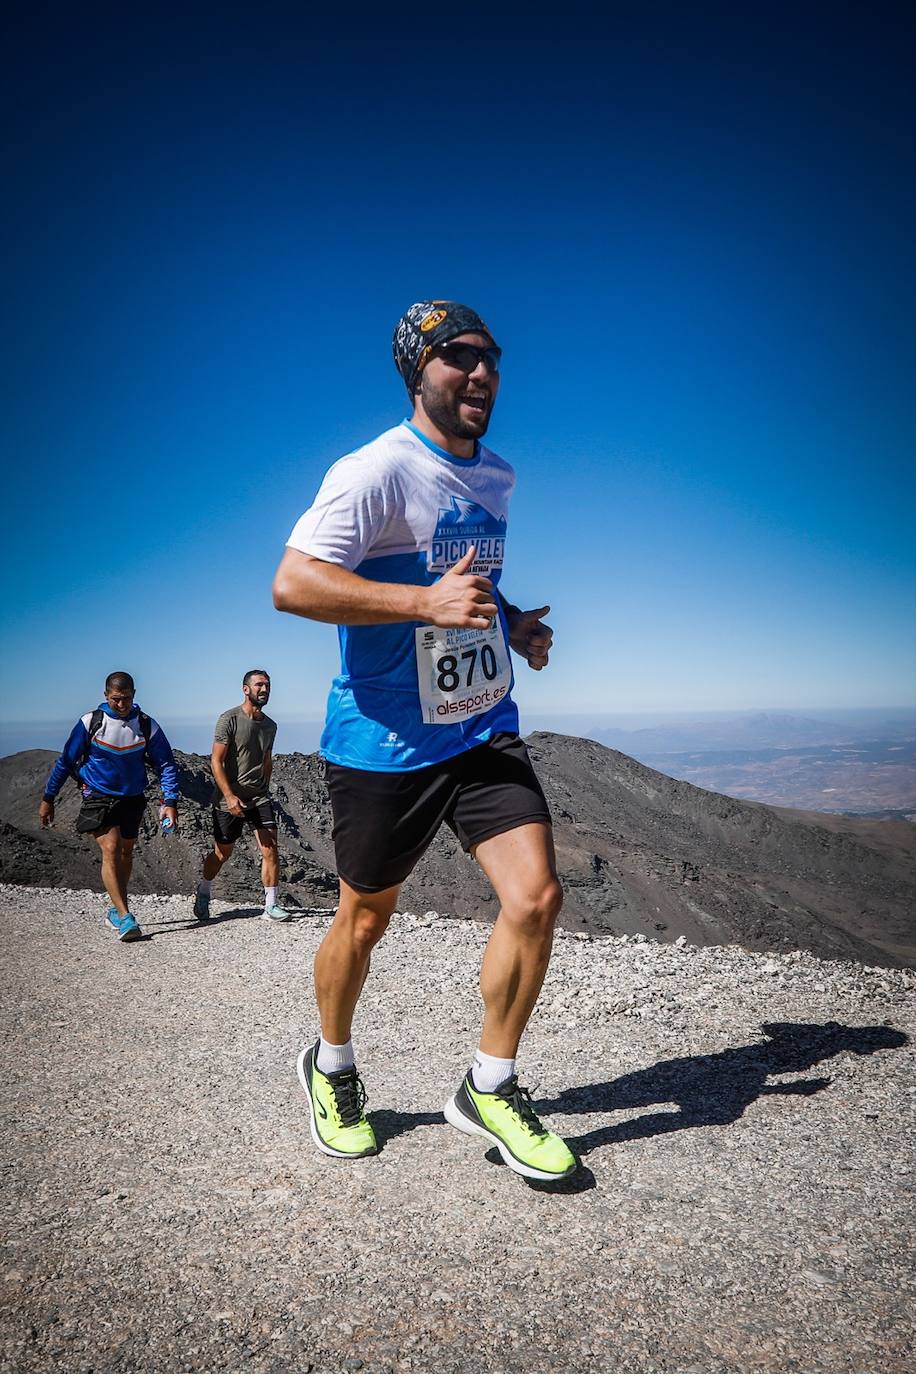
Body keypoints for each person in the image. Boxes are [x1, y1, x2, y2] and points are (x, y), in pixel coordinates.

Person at [272, 300, 576, 1181]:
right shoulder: (375, 470)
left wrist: (512, 623)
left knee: (536, 898)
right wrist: (420, 604)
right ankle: (330, 1065)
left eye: (490, 358)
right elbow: (292, 583)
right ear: (418, 371)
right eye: (458, 357)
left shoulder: (498, 476)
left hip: (480, 724)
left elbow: (466, 580)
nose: (481, 373)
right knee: (364, 918)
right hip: (383, 741)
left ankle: (491, 1083)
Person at [39, 671, 179, 941]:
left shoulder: (147, 725)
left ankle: (116, 910)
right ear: (106, 696)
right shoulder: (91, 722)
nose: (121, 704)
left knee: (126, 852)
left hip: (133, 797)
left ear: (134, 695)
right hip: (98, 796)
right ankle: (126, 918)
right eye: (116, 699)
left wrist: (169, 801)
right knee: (112, 848)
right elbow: (66, 761)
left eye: (126, 699)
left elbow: (166, 764)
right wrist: (49, 798)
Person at [192, 670, 291, 923]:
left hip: (258, 797)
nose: (264, 689)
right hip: (229, 799)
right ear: (246, 689)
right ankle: (204, 890)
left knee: (270, 848)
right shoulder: (229, 719)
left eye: (267, 685)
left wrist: (265, 789)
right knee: (223, 853)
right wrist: (230, 796)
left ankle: (270, 905)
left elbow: (267, 759)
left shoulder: (270, 726)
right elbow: (216, 761)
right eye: (259, 685)